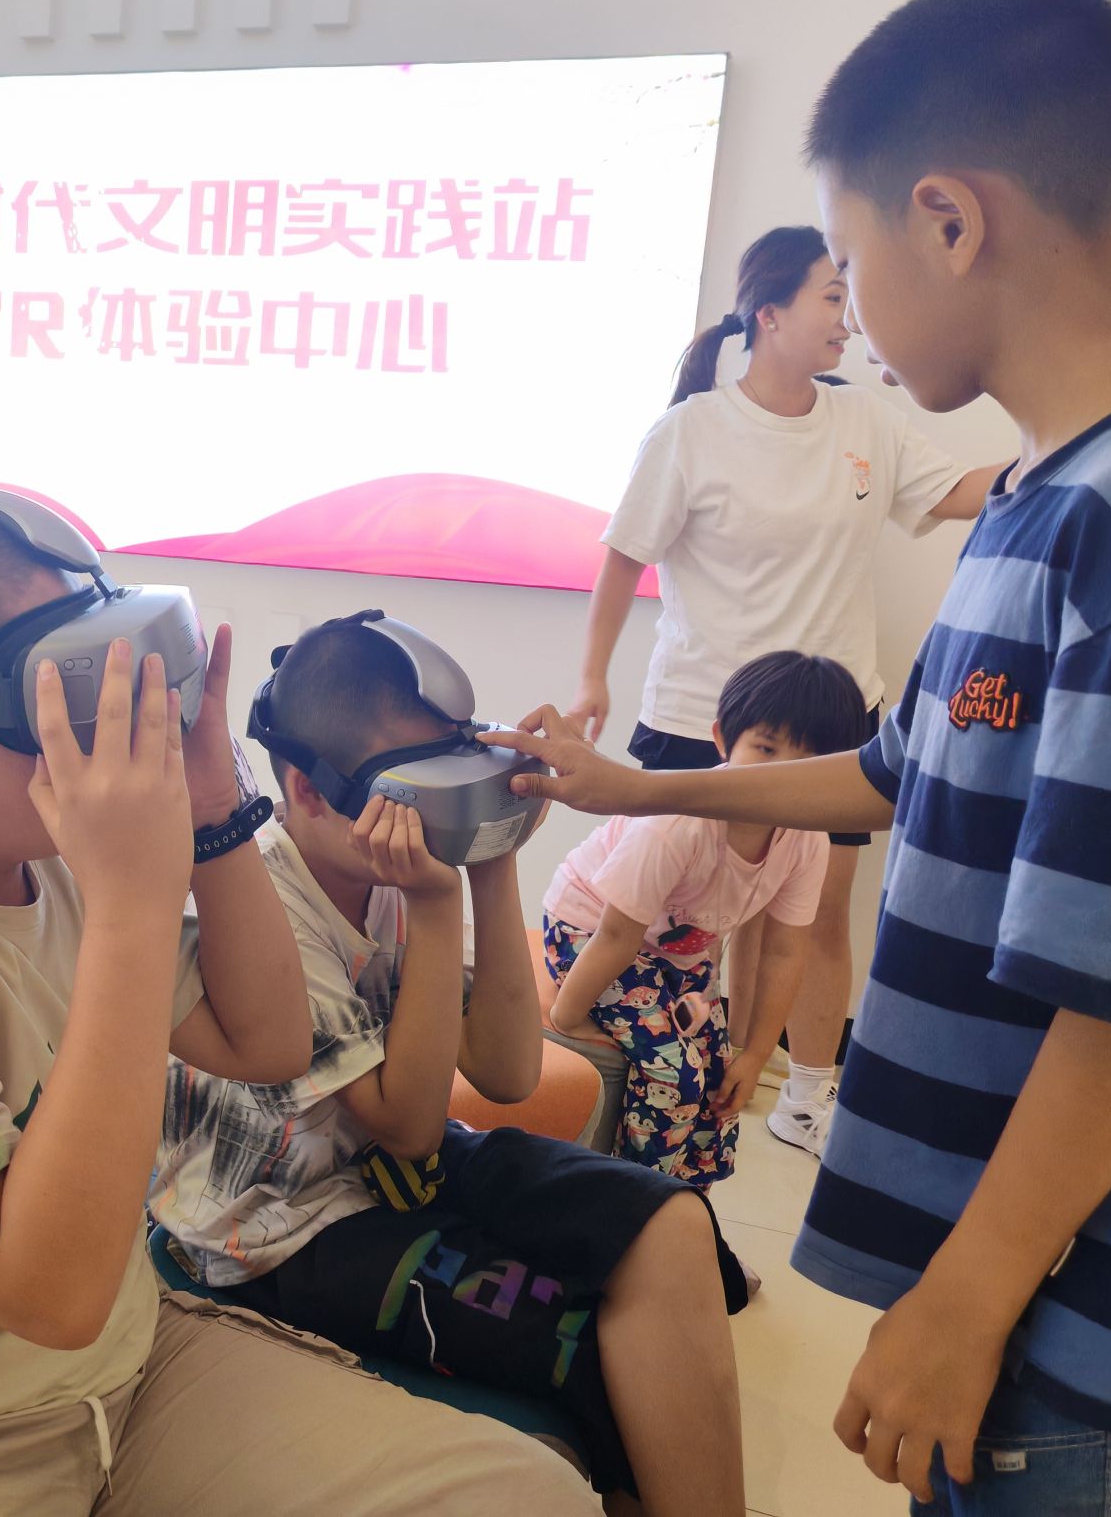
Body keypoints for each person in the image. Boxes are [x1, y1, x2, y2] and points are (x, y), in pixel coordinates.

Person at [494, 0, 1111, 1506]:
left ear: (948, 219)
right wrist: (634, 784)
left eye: (848, 259)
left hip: (1086, 1328)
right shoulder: (1036, 499)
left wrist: (968, 1301)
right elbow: (893, 774)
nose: (851, 313)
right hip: (1014, 1290)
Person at [0, 492, 599, 1515]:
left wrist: (212, 810)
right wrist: (132, 903)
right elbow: (49, 1294)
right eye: (57, 699)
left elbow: (266, 1043)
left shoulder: (53, 867)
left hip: (120, 1379)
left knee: (526, 1497)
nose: (110, 732)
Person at [152, 613, 747, 1517]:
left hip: (392, 1170)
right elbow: (407, 1124)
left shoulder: (390, 870)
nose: (440, 813)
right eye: (416, 789)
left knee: (670, 1222)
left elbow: (507, 1073)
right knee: (588, 1345)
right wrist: (437, 905)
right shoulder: (268, 907)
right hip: (276, 1229)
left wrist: (491, 860)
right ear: (310, 791)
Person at [568, 225, 1002, 1159]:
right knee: (677, 923)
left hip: (834, 725)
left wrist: (1054, 450)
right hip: (706, 720)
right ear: (769, 313)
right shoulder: (692, 430)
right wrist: (593, 675)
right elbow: (623, 557)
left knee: (812, 915)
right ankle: (633, 1084)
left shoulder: (866, 421)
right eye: (831, 297)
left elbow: (956, 491)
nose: (849, 316)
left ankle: (805, 1098)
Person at [542, 653, 866, 1187]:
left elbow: (785, 951)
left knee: (720, 1084)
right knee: (676, 1079)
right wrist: (568, 1016)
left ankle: (688, 1210)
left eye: (808, 762)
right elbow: (617, 934)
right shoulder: (678, 824)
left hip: (675, 952)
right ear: (722, 740)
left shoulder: (807, 840)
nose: (781, 775)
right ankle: (636, 1204)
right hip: (588, 930)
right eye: (766, 749)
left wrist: (753, 1055)